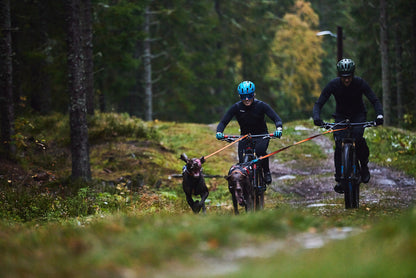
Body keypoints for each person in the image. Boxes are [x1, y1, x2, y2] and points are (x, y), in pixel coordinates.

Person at [312, 58, 384, 193]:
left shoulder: (360, 83)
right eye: (344, 77)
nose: (347, 80)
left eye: (349, 77)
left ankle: (363, 166)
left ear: (353, 74)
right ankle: (339, 177)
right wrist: (317, 117)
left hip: (358, 114)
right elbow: (319, 103)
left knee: (358, 138)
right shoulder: (333, 85)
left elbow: (374, 100)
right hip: (340, 116)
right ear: (340, 76)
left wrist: (379, 115)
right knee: (339, 143)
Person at [216, 80, 283, 184]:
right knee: (242, 162)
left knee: (260, 152)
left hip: (261, 135)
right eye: (243, 96)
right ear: (240, 96)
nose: (247, 99)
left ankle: (266, 171)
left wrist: (278, 129)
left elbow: (276, 118)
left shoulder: (261, 105)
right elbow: (223, 122)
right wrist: (219, 132)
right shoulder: (236, 107)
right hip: (244, 137)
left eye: (249, 96)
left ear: (254, 94)